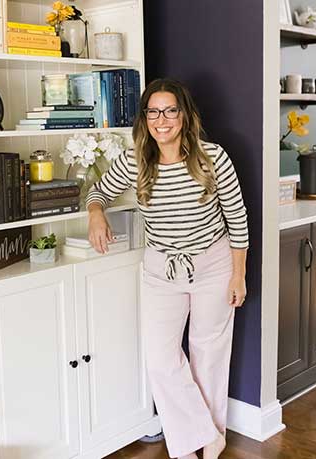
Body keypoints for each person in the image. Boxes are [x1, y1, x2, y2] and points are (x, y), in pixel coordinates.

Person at [86, 78, 248, 459]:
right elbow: (97, 191)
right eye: (153, 111)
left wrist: (238, 274)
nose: (162, 119)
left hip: (214, 263)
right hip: (161, 270)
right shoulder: (134, 162)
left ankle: (211, 440)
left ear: (184, 115)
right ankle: (195, 435)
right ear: (145, 119)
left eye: (170, 110)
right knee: (161, 359)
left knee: (208, 354)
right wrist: (96, 214)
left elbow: (237, 218)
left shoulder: (213, 158)